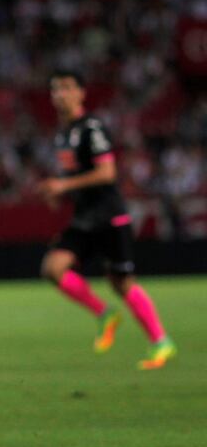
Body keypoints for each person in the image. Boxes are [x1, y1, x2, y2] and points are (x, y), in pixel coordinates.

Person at [38, 69, 176, 369]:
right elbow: (78, 175)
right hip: (85, 217)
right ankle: (104, 313)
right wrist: (59, 192)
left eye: (65, 88)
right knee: (53, 267)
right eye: (54, 89)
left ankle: (161, 341)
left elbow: (107, 173)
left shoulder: (92, 127)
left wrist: (63, 185)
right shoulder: (64, 133)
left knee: (122, 281)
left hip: (109, 216)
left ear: (81, 93)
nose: (59, 94)